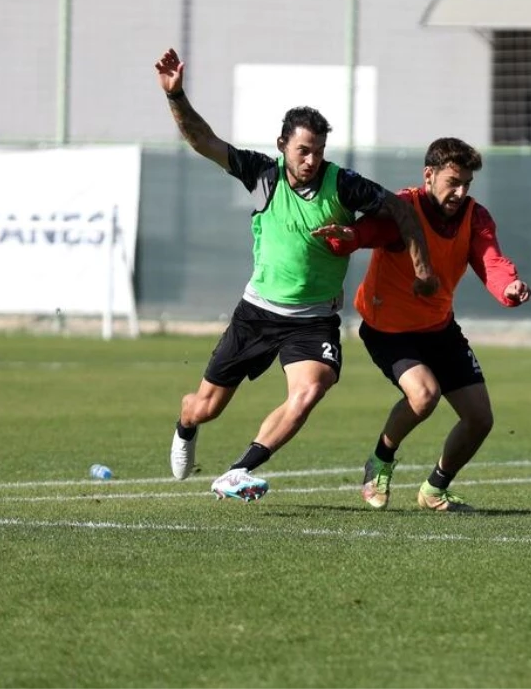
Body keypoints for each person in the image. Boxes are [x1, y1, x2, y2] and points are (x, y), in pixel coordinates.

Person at [154, 47, 439, 502]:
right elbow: (202, 140)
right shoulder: (262, 175)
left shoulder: (343, 183)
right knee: (205, 406)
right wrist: (177, 96)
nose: (311, 159)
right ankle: (186, 424)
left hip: (312, 321)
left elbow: (401, 212)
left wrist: (421, 270)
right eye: (304, 150)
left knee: (310, 390)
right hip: (256, 314)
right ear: (283, 145)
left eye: (318, 151)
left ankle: (236, 472)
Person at [314, 137, 531, 512]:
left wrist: (508, 287)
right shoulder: (404, 209)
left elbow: (491, 261)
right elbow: (370, 232)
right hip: (388, 329)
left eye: (466, 184)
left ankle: (434, 489)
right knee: (424, 395)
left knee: (480, 419)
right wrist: (349, 239)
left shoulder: (474, 217)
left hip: (438, 328)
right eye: (453, 182)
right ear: (428, 175)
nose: (460, 192)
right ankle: (380, 461)